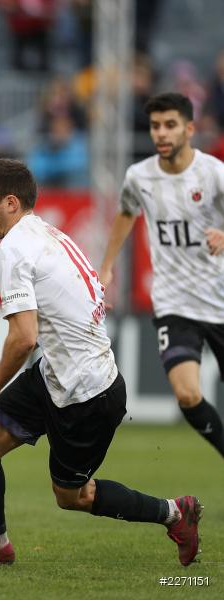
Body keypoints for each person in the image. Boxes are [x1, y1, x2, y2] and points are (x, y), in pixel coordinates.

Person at [0, 159, 201, 568]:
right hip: (55, 375)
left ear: (9, 202)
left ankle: (173, 512)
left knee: (72, 497)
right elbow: (91, 288)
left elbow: (23, 337)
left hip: (87, 392)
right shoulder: (50, 233)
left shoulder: (12, 250)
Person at [99, 92, 224, 460]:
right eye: (155, 126)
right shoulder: (139, 177)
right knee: (187, 393)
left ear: (189, 129)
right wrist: (106, 266)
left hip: (219, 297)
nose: (161, 133)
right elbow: (125, 212)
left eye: (170, 125)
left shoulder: (213, 173)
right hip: (174, 301)